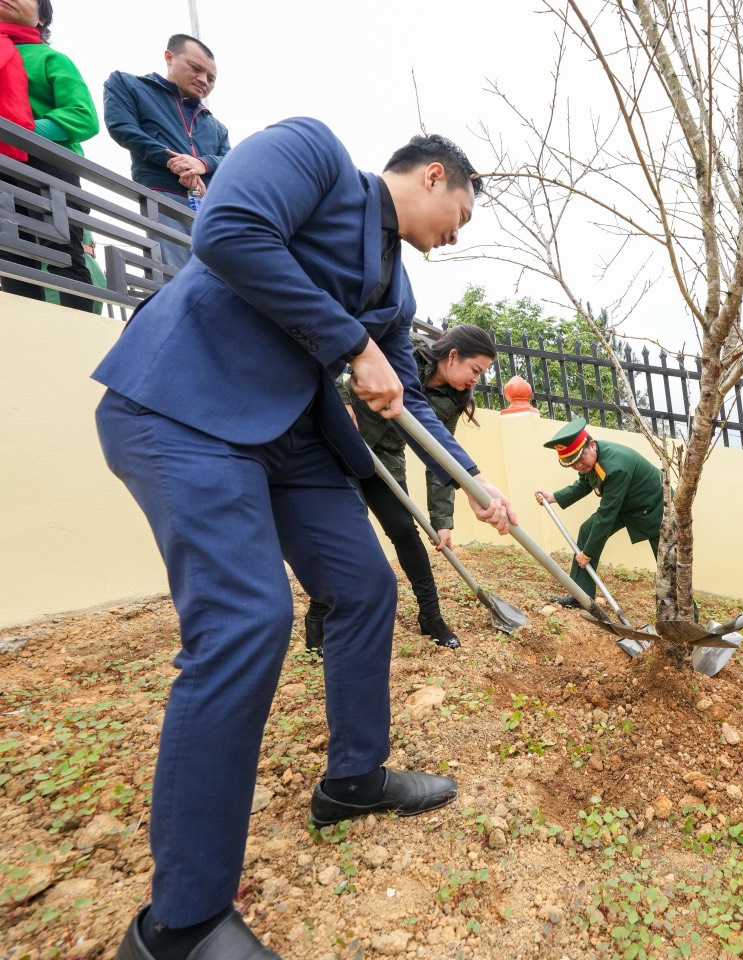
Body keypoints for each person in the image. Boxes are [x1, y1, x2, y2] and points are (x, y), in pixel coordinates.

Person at [94, 118, 515, 960]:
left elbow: (413, 402)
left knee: (365, 588)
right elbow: (229, 231)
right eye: (461, 215)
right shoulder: (313, 154)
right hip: (183, 409)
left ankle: (354, 781)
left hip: (289, 440)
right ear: (434, 176)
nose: (455, 236)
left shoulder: (397, 291)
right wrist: (351, 342)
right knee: (248, 621)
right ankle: (180, 925)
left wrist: (474, 480)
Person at [305, 323, 498, 653]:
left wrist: (442, 521)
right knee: (348, 529)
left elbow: (440, 455)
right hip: (339, 445)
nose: (475, 380)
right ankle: (317, 621)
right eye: (475, 370)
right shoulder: (403, 351)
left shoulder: (453, 400)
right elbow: (344, 358)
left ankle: (431, 616)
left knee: (404, 532)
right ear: (453, 356)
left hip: (385, 458)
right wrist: (342, 400)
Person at [0, 0, 99, 311]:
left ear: (42, 18)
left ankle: (79, 338)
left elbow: (83, 116)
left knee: (65, 255)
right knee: (12, 257)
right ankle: (31, 344)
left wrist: (20, 132)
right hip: (4, 168)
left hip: (50, 167)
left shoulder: (50, 58)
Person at [103, 33, 230, 268]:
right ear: (169, 57)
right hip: (162, 197)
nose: (204, 80)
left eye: (211, 78)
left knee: (218, 284)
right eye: (196, 68)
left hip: (212, 212)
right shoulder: (127, 84)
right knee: (173, 277)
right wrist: (173, 160)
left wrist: (202, 163)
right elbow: (123, 129)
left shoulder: (217, 127)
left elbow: (230, 161)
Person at [534, 417, 663, 609]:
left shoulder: (615, 466)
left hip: (655, 507)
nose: (578, 466)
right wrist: (554, 497)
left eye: (580, 459)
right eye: (572, 463)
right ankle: (581, 595)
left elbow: (606, 515)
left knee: (668, 561)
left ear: (591, 445)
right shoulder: (592, 460)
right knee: (588, 530)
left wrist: (587, 554)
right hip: (627, 504)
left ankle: (685, 618)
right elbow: (584, 483)